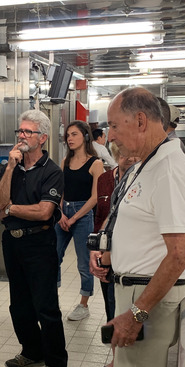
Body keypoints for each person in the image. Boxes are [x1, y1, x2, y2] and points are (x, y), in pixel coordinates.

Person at [90, 88, 185, 367]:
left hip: (146, 298)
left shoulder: (168, 169)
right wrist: (111, 252)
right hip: (136, 290)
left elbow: (179, 254)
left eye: (113, 126)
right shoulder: (149, 163)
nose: (111, 137)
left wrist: (136, 314)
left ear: (140, 120)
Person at [0, 109, 68, 367]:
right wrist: (10, 168)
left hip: (39, 243)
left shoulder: (52, 172)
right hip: (12, 242)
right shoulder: (11, 166)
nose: (22, 136)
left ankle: (56, 363)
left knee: (45, 306)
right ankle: (31, 351)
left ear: (43, 138)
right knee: (19, 305)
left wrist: (11, 208)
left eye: (28, 132)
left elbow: (44, 212)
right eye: (20, 131)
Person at [92, 143, 140, 367]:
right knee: (111, 306)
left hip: (126, 259)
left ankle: (121, 364)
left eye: (133, 153)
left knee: (126, 310)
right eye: (123, 153)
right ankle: (116, 359)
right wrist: (95, 250)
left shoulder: (142, 179)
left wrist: (109, 256)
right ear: (115, 155)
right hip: (105, 252)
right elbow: (102, 216)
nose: (129, 157)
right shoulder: (104, 180)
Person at [56, 120, 104, 322]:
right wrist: (60, 214)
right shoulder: (65, 161)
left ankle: (83, 304)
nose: (70, 138)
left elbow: (95, 197)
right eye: (68, 135)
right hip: (63, 213)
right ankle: (52, 298)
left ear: (85, 136)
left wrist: (74, 217)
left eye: (74, 134)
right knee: (53, 256)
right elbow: (60, 190)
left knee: (84, 263)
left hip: (83, 215)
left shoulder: (96, 163)